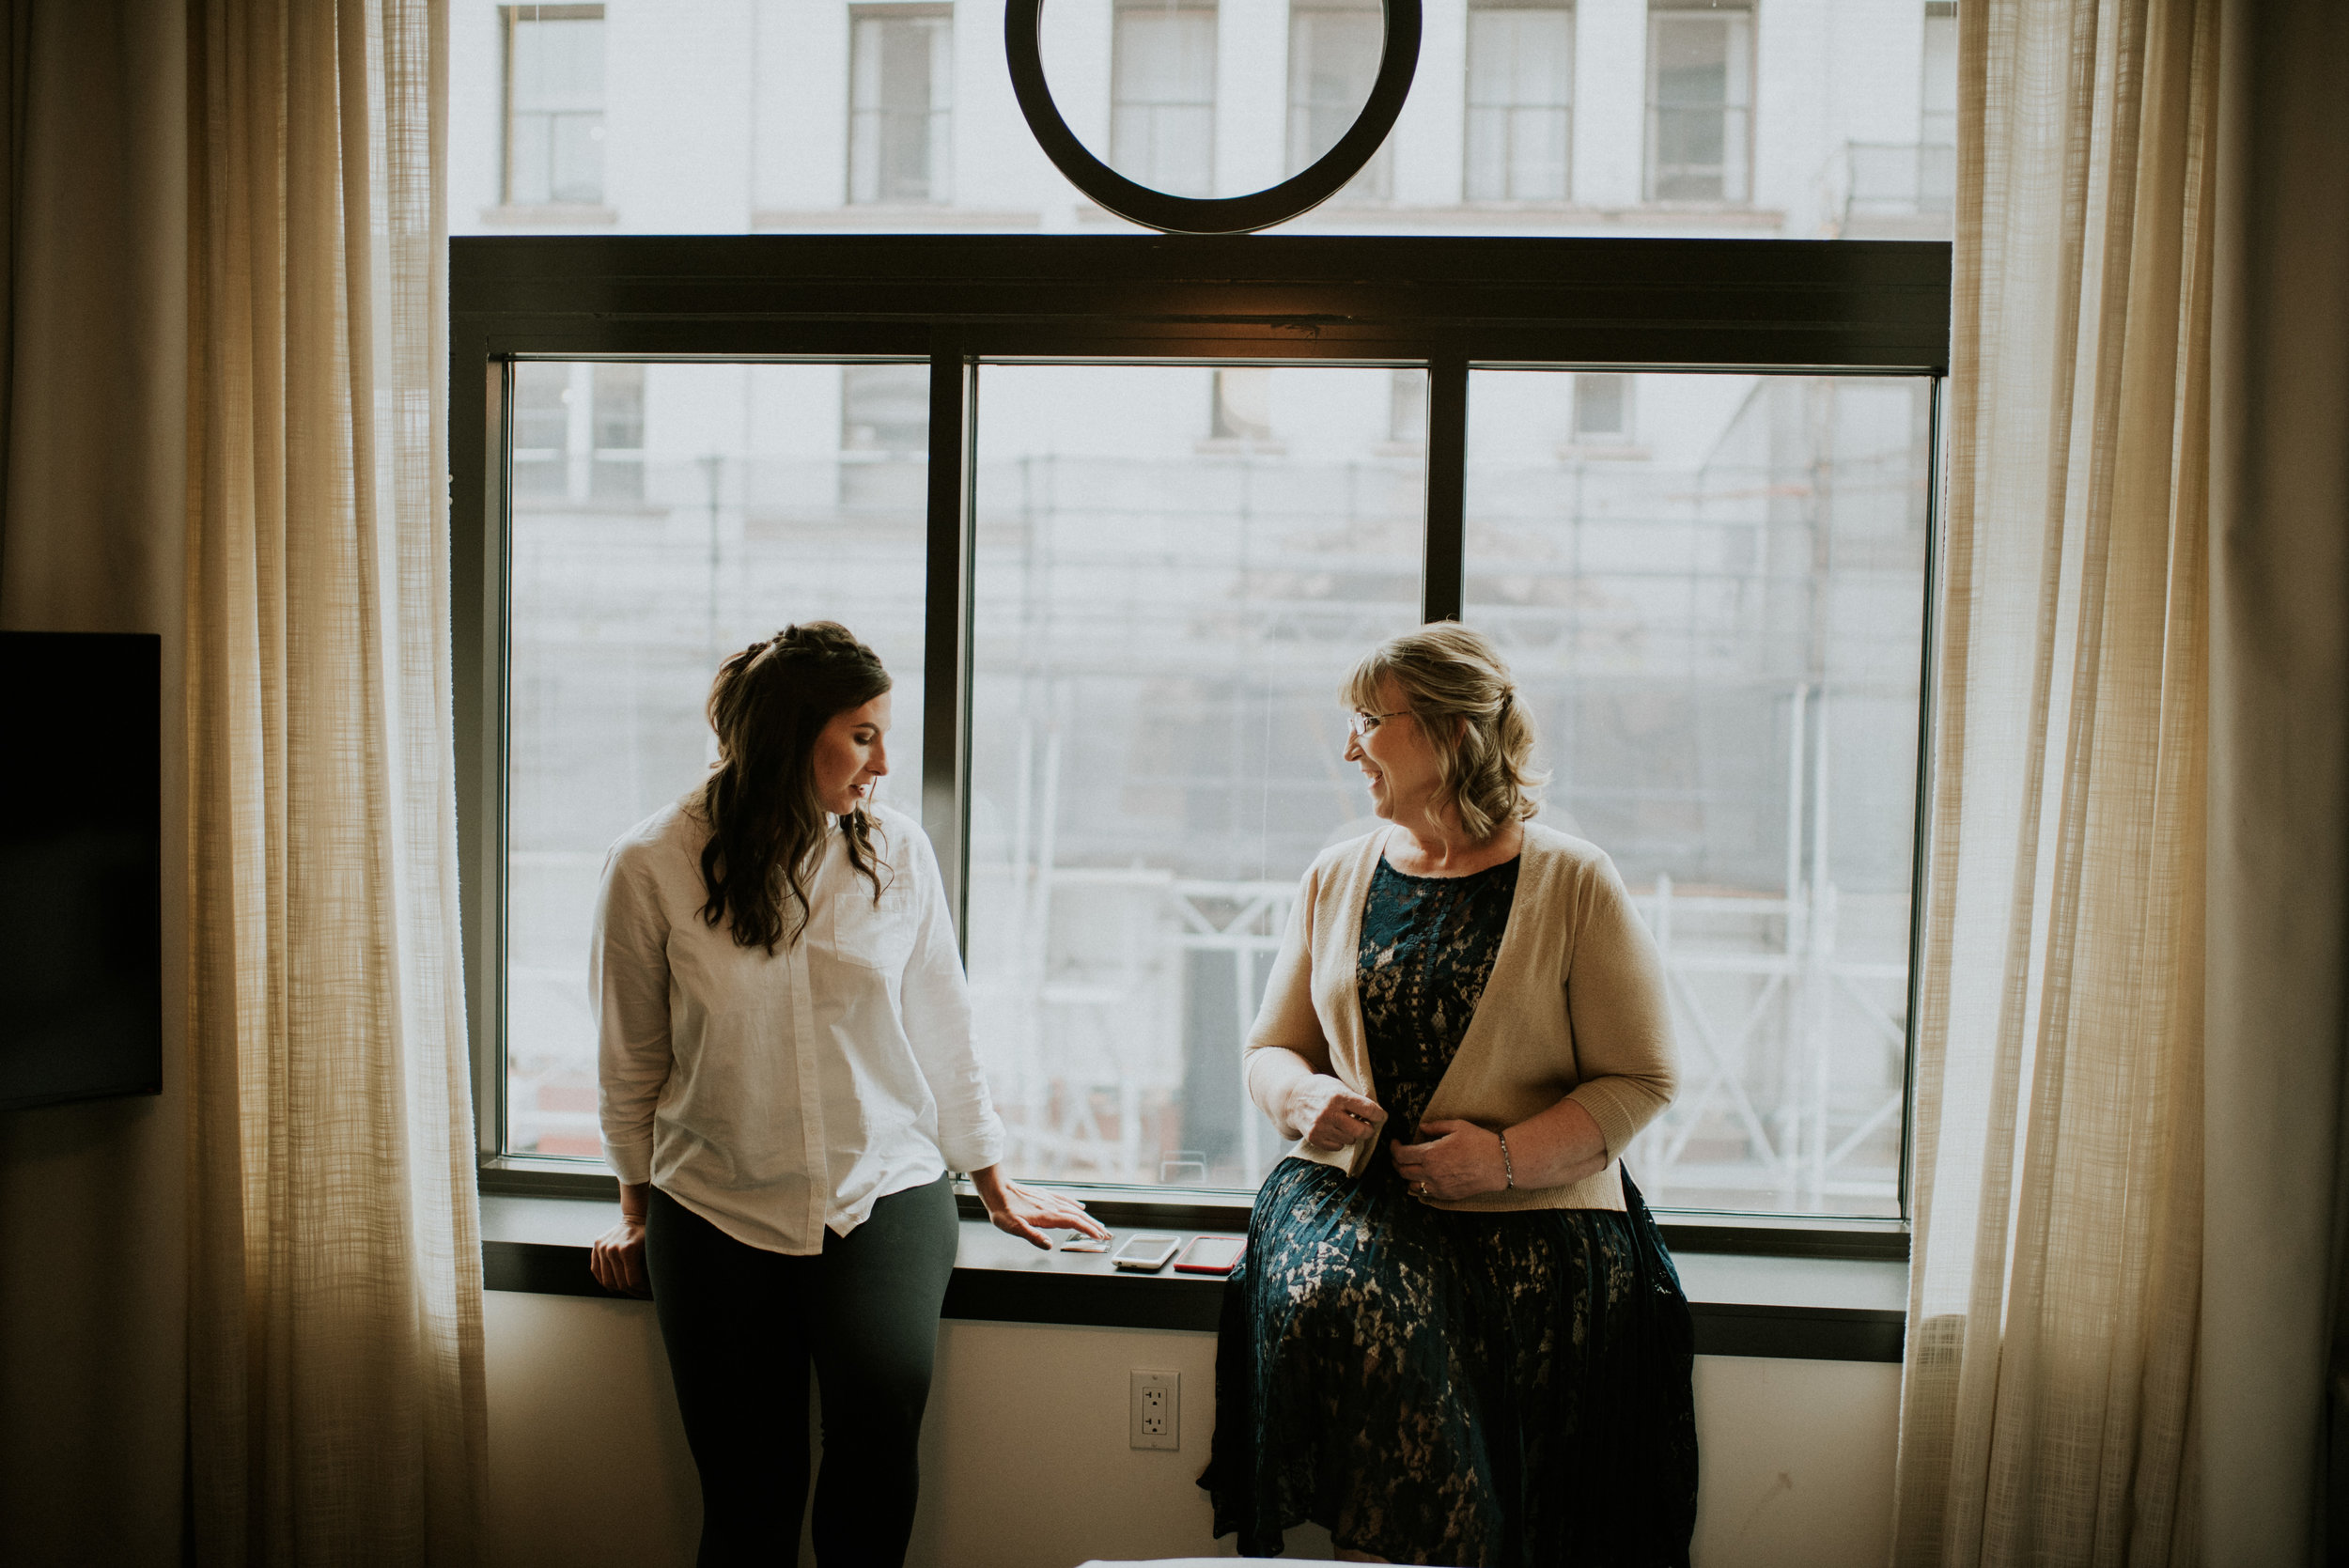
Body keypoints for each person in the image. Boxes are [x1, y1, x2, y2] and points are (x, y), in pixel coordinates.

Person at [584, 620, 1106, 1568]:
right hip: (711, 1206)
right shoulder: (652, 862)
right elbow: (632, 1059)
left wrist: (994, 1182)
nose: (882, 762)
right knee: (749, 1493)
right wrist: (633, 1208)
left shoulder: (896, 853)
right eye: (862, 734)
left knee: (875, 1428)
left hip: (884, 1191)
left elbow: (943, 1024)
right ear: (790, 732)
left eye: (883, 734)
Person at [1201, 622, 1699, 1567]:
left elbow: (1642, 1077)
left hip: (1541, 1209)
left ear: (1444, 734)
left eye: (1365, 721)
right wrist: (1300, 1098)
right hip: (1359, 1196)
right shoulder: (1336, 872)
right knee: (1357, 1309)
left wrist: (1502, 1161)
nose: (1348, 746)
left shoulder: (1574, 880)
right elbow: (1271, 1046)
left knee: (1475, 1337)